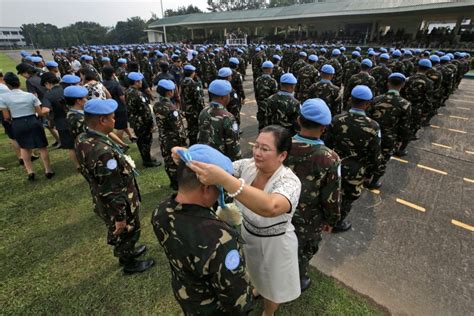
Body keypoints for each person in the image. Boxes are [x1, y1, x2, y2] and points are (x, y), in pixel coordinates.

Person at [186, 125, 302, 316]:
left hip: (275, 243)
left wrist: (227, 181)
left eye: (265, 149)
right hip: (248, 234)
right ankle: (257, 288)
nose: (257, 152)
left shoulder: (290, 182)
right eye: (256, 146)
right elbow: (221, 165)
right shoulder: (248, 166)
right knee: (253, 269)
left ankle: (268, 312)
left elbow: (270, 207)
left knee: (272, 282)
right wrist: (187, 154)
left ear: (282, 155)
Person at [152, 144, 254, 315]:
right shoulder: (220, 239)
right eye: (220, 189)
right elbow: (237, 300)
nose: (220, 195)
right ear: (206, 188)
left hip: (188, 297)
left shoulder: (160, 210)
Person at [75, 98, 155, 275]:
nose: (115, 121)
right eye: (111, 118)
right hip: (119, 202)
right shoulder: (103, 153)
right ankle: (129, 262)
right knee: (127, 230)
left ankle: (128, 252)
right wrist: (120, 216)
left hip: (105, 198)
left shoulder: (84, 138)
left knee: (126, 232)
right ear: (102, 121)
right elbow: (112, 188)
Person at [286, 98, 341, 291]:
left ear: (299, 120)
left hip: (278, 210)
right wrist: (331, 220)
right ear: (324, 127)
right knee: (303, 249)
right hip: (309, 219)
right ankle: (297, 279)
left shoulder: (281, 144)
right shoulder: (330, 158)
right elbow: (331, 197)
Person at [325, 85, 381, 232]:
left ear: (350, 100)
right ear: (368, 104)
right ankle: (337, 223)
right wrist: (370, 174)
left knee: (329, 191)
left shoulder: (337, 119)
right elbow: (374, 155)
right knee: (348, 197)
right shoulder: (373, 127)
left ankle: (325, 217)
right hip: (356, 170)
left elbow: (327, 143)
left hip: (333, 165)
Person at [0, 72, 54, 181]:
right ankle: (48, 170)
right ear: (19, 83)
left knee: (24, 147)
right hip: (33, 120)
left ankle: (30, 172)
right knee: (42, 146)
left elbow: (6, 116)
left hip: (17, 122)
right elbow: (39, 113)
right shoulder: (30, 95)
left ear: (7, 84)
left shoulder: (3, 98)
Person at [368, 73, 411, 186]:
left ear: (388, 83)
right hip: (390, 137)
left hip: (372, 134)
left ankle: (366, 176)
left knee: (369, 154)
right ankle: (374, 181)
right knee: (383, 159)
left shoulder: (377, 99)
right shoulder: (405, 104)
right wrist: (400, 140)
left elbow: (368, 118)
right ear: (402, 85)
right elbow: (404, 126)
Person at [154, 79, 188, 190]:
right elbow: (178, 128)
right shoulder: (171, 108)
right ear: (169, 92)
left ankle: (173, 182)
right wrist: (183, 141)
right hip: (173, 139)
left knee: (168, 160)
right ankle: (177, 184)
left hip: (163, 137)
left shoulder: (157, 105)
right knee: (176, 162)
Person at [197, 79, 241, 161]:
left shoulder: (203, 111)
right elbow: (233, 145)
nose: (229, 96)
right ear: (223, 97)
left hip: (205, 157)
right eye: (228, 94)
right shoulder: (228, 117)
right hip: (221, 161)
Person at [125, 72, 160, 167]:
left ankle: (146, 157)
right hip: (142, 123)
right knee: (146, 141)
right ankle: (147, 161)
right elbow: (146, 112)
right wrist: (151, 124)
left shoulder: (128, 91)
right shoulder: (138, 94)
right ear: (136, 82)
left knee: (141, 141)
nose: (141, 83)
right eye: (140, 81)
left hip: (135, 121)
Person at [102, 66, 134, 142]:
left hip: (110, 107)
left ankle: (131, 136)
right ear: (113, 74)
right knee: (120, 127)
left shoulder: (102, 84)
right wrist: (126, 104)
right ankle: (119, 144)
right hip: (120, 107)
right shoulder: (116, 84)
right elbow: (122, 97)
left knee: (122, 123)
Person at [180, 64, 205, 145]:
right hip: (194, 110)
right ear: (192, 73)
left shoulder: (182, 82)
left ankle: (192, 142)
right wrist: (202, 110)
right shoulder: (194, 84)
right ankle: (194, 144)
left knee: (190, 126)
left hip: (186, 108)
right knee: (195, 128)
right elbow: (198, 99)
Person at [254, 61, 278, 130]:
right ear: (269, 69)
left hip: (260, 103)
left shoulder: (258, 79)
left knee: (261, 118)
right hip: (269, 104)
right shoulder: (272, 81)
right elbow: (274, 95)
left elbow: (256, 92)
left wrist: (258, 101)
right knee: (269, 121)